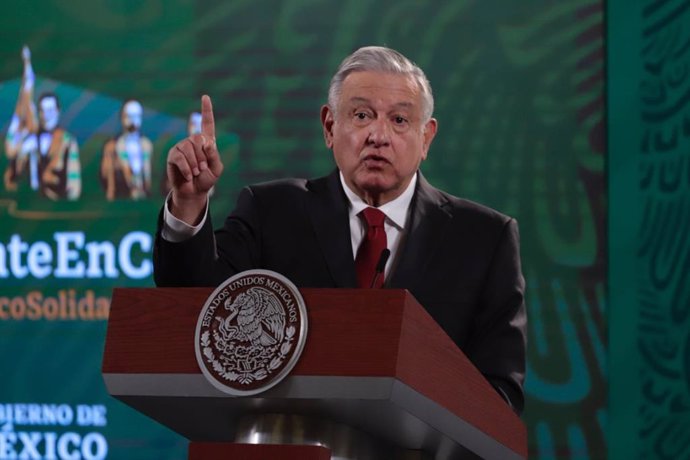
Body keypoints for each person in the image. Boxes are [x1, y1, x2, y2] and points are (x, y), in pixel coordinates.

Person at [154, 46, 527, 414]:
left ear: (426, 137)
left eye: (399, 120)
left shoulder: (484, 238)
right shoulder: (271, 211)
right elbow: (200, 314)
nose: (379, 136)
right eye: (362, 115)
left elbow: (500, 396)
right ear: (330, 127)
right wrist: (189, 201)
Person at [4, 46, 81, 200]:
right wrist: (19, 157)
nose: (47, 115)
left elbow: (74, 184)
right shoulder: (32, 139)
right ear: (39, 112)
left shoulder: (67, 141)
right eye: (43, 111)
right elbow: (12, 177)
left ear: (58, 111)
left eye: (51, 110)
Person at [100, 99, 153, 200]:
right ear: (122, 117)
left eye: (136, 116)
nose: (133, 121)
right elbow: (107, 181)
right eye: (129, 116)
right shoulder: (112, 147)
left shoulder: (147, 145)